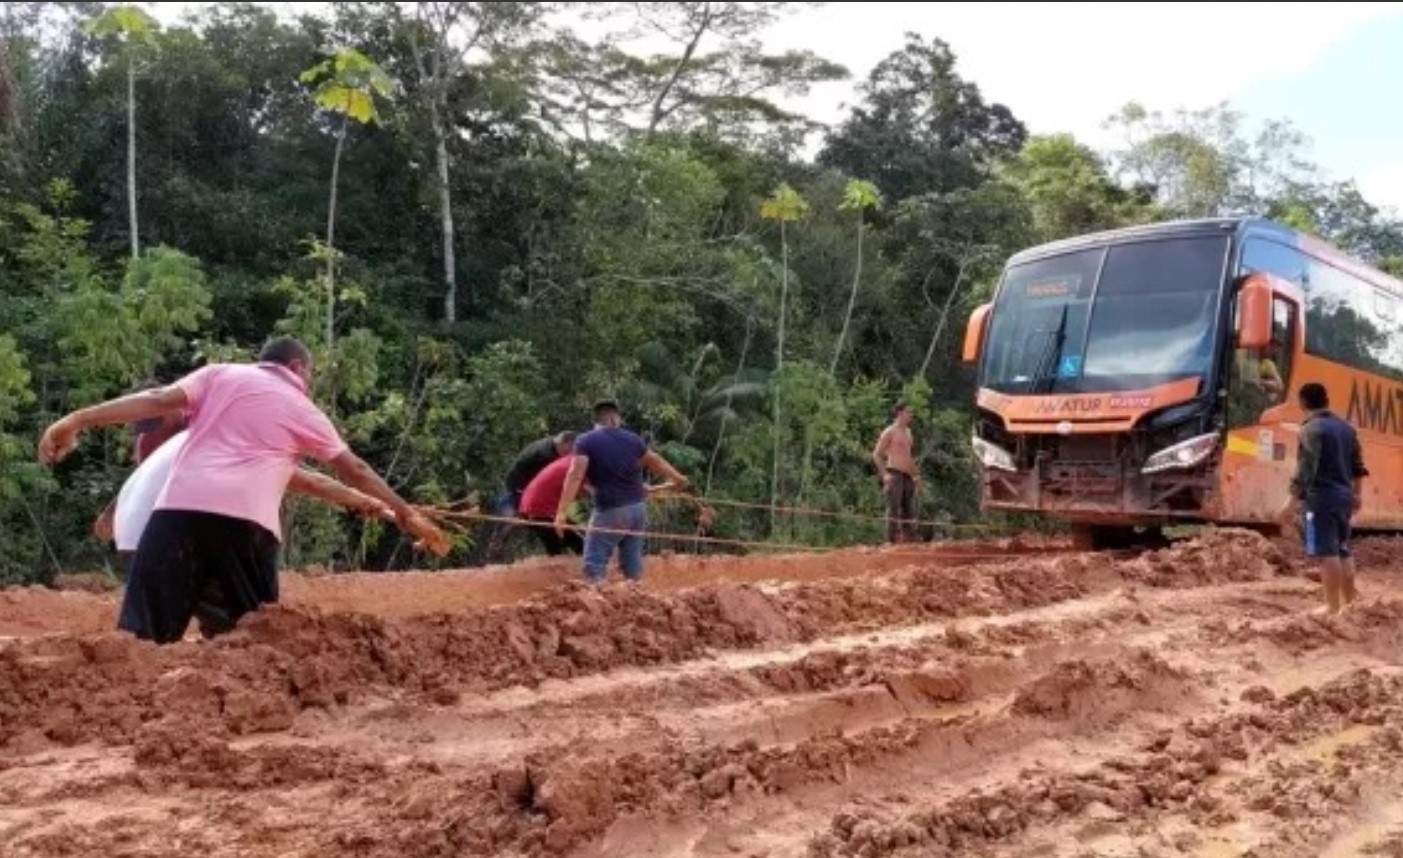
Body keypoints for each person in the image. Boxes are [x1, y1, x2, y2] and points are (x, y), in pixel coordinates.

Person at [39, 336, 450, 644]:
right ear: (297, 367)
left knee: (143, 638)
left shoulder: (218, 375)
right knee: (253, 637)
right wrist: (404, 512)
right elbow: (353, 469)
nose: (311, 380)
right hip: (244, 528)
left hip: (175, 517)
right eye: (311, 372)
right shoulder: (304, 411)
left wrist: (76, 419)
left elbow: (157, 399)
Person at [109, 429, 394, 578]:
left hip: (133, 541)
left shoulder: (204, 436)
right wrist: (376, 505)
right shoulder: (236, 443)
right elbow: (311, 483)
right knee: (243, 618)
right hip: (165, 542)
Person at [553, 400, 688, 583]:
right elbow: (655, 461)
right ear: (614, 419)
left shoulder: (585, 441)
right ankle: (637, 599)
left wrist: (561, 512)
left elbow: (575, 475)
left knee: (594, 563)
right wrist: (678, 478)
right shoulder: (633, 439)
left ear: (597, 420)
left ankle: (595, 603)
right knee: (632, 563)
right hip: (637, 510)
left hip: (611, 510)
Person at [1280, 382, 1368, 615]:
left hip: (1322, 498)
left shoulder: (1311, 429)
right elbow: (1358, 466)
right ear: (1326, 399)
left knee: (1327, 553)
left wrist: (1289, 503)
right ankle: (1349, 604)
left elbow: (1306, 468)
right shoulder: (1347, 428)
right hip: (1344, 497)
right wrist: (1357, 494)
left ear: (1303, 402)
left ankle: (1331, 607)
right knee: (1343, 550)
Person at [92, 379, 190, 542]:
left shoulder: (199, 423)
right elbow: (140, 480)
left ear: (171, 406)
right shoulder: (148, 440)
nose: (153, 429)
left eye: (154, 419)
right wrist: (111, 513)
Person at [486, 431, 577, 560]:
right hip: (517, 490)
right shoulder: (545, 455)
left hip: (528, 492)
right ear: (564, 443)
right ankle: (491, 558)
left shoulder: (552, 447)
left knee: (548, 525)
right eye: (571, 449)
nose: (571, 453)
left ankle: (558, 555)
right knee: (506, 524)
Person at [518, 454, 588, 556]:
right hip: (540, 511)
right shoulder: (579, 467)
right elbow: (587, 492)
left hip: (532, 507)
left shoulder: (572, 459)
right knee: (580, 545)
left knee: (570, 545)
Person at [872, 402, 919, 543]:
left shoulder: (909, 432)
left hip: (907, 475)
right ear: (899, 413)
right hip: (894, 473)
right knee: (893, 508)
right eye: (908, 412)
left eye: (911, 412)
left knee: (908, 510)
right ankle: (890, 542)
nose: (911, 415)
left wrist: (915, 475)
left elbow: (909, 456)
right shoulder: (889, 431)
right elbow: (876, 454)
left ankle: (908, 542)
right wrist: (884, 474)